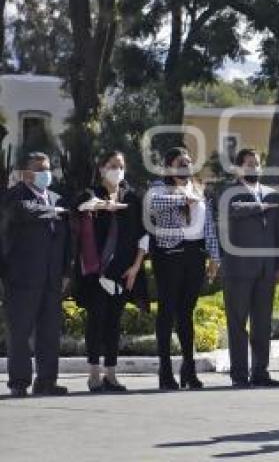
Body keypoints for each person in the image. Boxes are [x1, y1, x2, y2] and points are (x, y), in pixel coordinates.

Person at [146, 147, 220, 390]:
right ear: (168, 167)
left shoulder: (198, 188)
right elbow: (154, 204)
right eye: (180, 163)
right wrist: (182, 198)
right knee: (167, 310)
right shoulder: (159, 188)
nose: (185, 167)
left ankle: (189, 368)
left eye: (188, 162)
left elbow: (208, 224)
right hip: (168, 254)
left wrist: (214, 256)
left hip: (194, 254)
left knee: (187, 312)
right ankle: (165, 370)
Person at [73, 150, 147, 392]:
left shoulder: (133, 198)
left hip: (124, 271)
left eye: (121, 166)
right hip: (97, 272)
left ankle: (111, 374)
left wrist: (136, 267)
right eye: (113, 165)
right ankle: (94, 373)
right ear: (102, 168)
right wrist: (106, 205)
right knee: (97, 320)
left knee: (114, 322)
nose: (118, 170)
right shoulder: (92, 192)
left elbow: (143, 236)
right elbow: (82, 206)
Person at [0, 152, 72, 397]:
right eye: (39, 169)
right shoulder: (14, 195)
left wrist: (65, 271)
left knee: (49, 332)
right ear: (26, 172)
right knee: (19, 331)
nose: (45, 173)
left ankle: (46, 381)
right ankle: (19, 383)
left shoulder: (56, 198)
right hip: (22, 278)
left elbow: (66, 239)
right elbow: (27, 211)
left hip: (51, 278)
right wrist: (55, 212)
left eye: (47, 168)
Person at [216, 148, 279, 388]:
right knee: (237, 323)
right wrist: (259, 207)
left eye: (256, 163)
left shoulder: (272, 194)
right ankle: (239, 374)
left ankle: (260, 371)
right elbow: (231, 211)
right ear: (238, 168)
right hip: (238, 269)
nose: (253, 167)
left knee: (262, 323)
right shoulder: (228, 192)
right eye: (248, 164)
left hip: (266, 269)